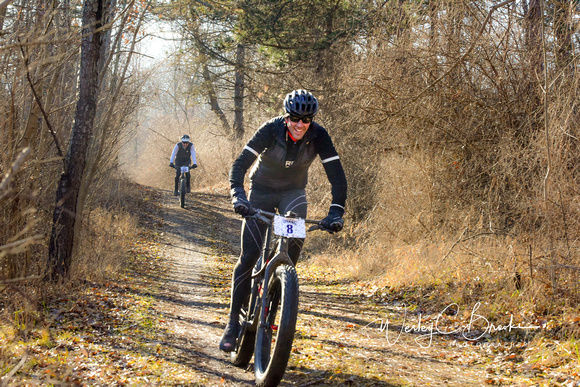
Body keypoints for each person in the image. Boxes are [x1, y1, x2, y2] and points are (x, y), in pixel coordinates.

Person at [219, 89, 347, 352]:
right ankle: (232, 323)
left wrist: (336, 211)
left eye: (307, 120)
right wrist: (238, 196)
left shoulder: (319, 136)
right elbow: (240, 165)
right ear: (286, 116)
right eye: (295, 118)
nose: (301, 124)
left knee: (292, 248)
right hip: (261, 191)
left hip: (293, 193)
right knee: (250, 254)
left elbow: (337, 176)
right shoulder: (271, 129)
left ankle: (277, 294)